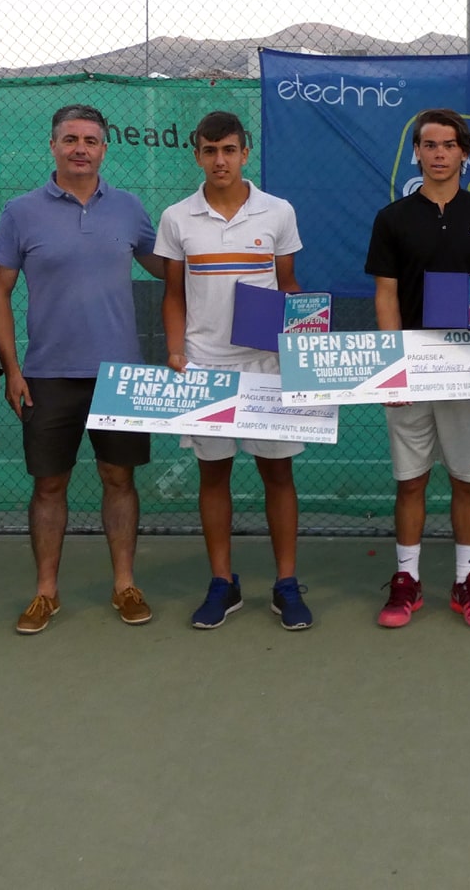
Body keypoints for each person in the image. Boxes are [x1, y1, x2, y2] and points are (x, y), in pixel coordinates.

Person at [0, 104, 165, 635]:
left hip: (121, 376)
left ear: (105, 148)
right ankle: (46, 593)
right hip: (47, 375)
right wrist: (12, 369)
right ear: (53, 146)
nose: (80, 148)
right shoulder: (21, 212)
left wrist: (229, 261)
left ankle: (125, 584)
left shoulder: (129, 209)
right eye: (70, 139)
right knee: (50, 485)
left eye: (90, 140)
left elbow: (167, 269)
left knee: (119, 478)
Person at [155, 110, 313, 630]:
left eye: (229, 150)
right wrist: (178, 352)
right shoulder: (178, 217)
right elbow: (173, 294)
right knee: (214, 475)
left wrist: (302, 334)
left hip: (266, 366)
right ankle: (223, 583)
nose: (219, 160)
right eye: (209, 150)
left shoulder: (278, 212)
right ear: (197, 154)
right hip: (205, 368)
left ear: (245, 153)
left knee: (277, 474)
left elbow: (287, 285)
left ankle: (286, 584)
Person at [363, 108, 470, 629]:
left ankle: (468, 580)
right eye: (430, 145)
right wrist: (393, 366)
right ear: (418, 153)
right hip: (411, 364)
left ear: (464, 152)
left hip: (467, 366)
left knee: (467, 480)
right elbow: (386, 295)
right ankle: (407, 580)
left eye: (450, 145)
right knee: (411, 481)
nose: (440, 153)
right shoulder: (393, 218)